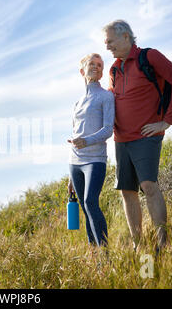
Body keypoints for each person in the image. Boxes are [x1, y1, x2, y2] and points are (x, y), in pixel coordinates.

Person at [103, 20, 172, 253]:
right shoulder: (113, 69)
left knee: (148, 185)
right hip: (121, 140)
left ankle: (163, 243)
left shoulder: (149, 57)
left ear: (126, 37)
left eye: (110, 41)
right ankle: (138, 245)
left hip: (146, 136)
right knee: (126, 191)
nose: (107, 46)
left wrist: (167, 121)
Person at [67, 53, 115, 247]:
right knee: (85, 210)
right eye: (92, 64)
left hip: (95, 159)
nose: (97, 67)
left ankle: (105, 254)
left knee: (90, 202)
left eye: (100, 65)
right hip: (75, 162)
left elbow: (108, 130)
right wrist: (70, 177)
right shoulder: (77, 103)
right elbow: (74, 134)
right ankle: (93, 254)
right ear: (82, 71)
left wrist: (86, 141)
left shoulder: (106, 96)